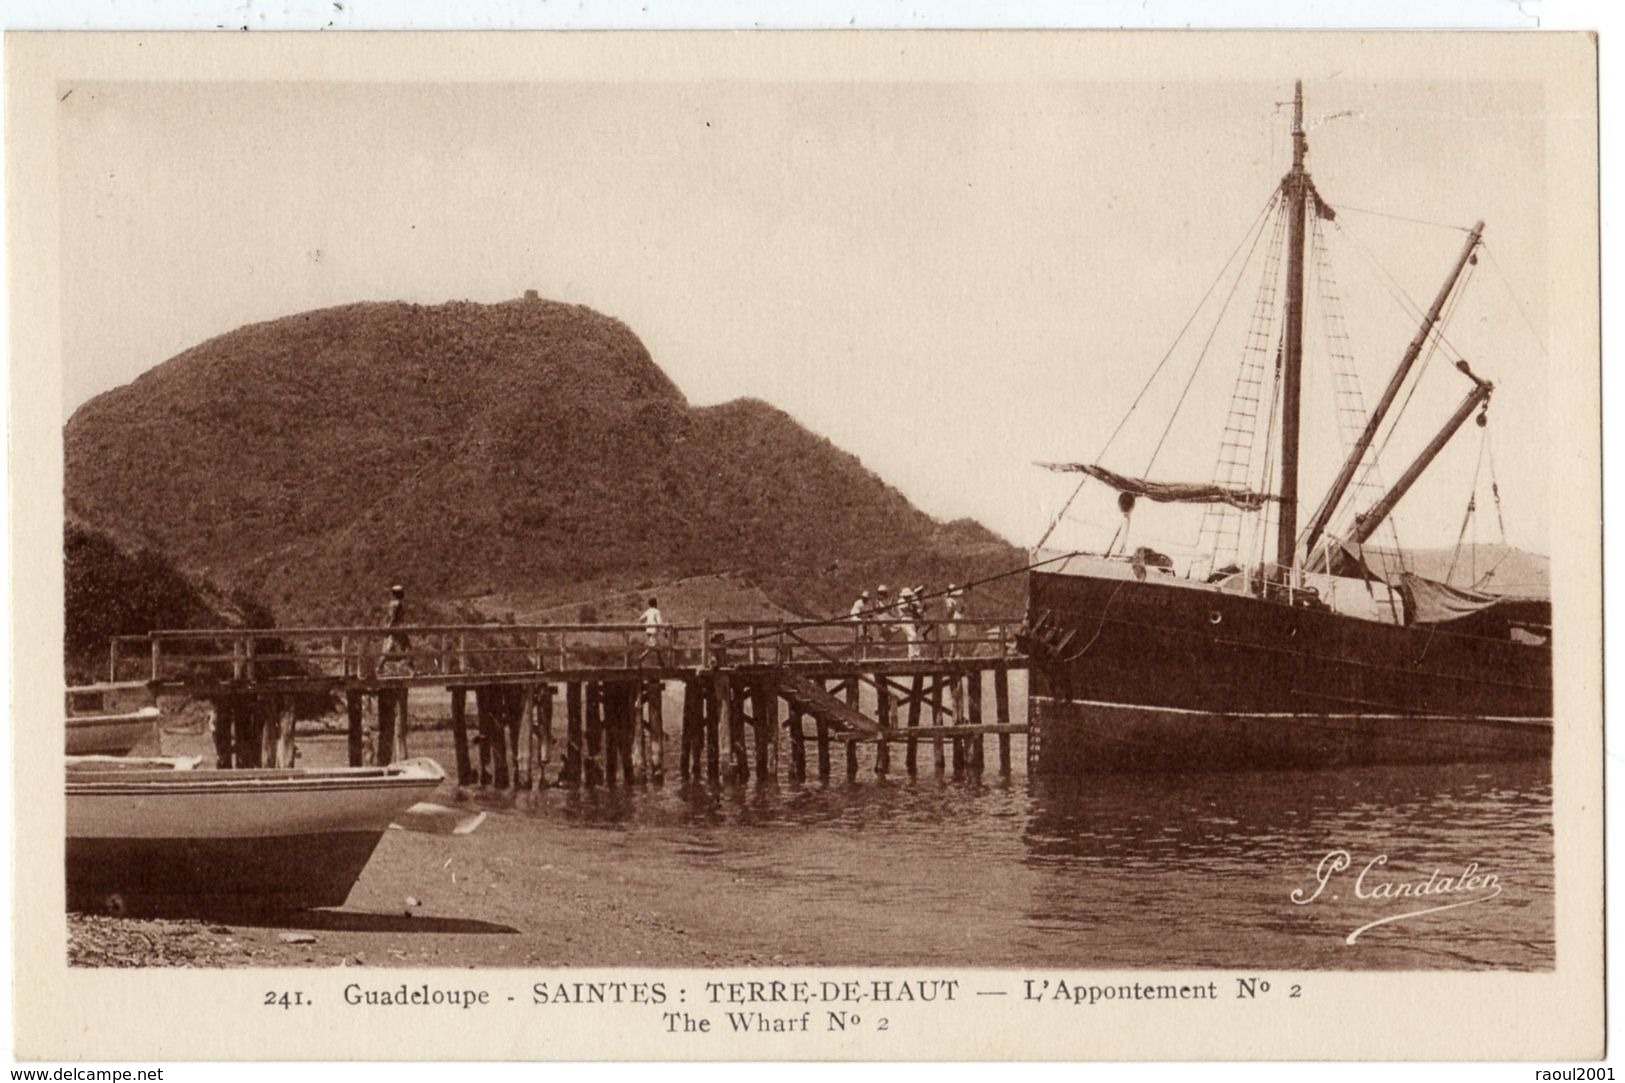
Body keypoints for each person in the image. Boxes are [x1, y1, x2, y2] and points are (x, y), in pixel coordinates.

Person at [380, 584, 413, 675]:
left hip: (397, 627)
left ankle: (412, 670)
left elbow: (390, 617)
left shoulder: (394, 603)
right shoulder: (396, 604)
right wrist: (389, 628)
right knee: (401, 649)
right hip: (397, 628)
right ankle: (379, 667)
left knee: (406, 648)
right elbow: (392, 617)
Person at [639, 596, 666, 664]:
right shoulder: (657, 611)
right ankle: (642, 657)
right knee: (653, 646)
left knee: (656, 645)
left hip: (648, 631)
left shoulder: (648, 611)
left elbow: (640, 619)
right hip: (654, 631)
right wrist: (664, 631)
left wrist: (647, 623)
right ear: (655, 603)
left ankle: (660, 661)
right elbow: (660, 622)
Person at [943, 583, 967, 659]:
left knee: (953, 636)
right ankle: (955, 653)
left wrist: (947, 618)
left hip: (952, 618)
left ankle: (952, 654)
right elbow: (963, 608)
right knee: (956, 636)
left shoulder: (949, 600)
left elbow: (950, 610)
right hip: (959, 616)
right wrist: (960, 612)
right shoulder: (960, 599)